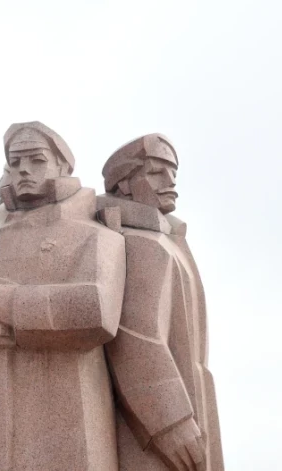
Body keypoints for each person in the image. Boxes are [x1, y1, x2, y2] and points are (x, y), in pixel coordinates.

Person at [0, 121, 127, 471]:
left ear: (63, 166)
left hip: (70, 421)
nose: (24, 170)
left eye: (36, 159)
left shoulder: (96, 238)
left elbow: (98, 310)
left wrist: (15, 306)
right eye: (15, 163)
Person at [99, 134, 224, 471]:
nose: (170, 182)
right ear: (123, 185)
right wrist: (172, 423)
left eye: (173, 173)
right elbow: (136, 337)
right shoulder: (139, 242)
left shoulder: (166, 239)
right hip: (158, 432)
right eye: (156, 172)